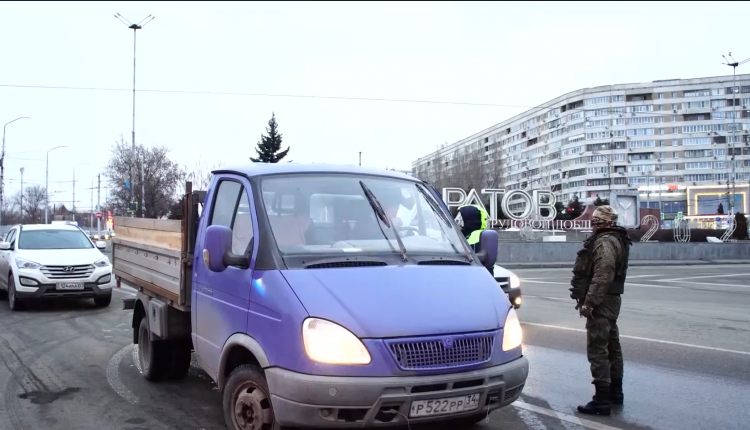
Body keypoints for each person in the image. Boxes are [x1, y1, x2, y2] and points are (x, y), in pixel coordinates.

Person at [569, 205, 632, 416]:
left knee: (598, 349)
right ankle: (616, 393)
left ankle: (601, 400)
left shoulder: (605, 242)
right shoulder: (616, 238)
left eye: (596, 219)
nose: (593, 222)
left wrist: (590, 303)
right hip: (610, 301)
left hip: (602, 302)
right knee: (613, 346)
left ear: (604, 222)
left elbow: (603, 274)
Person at [457, 204, 492, 274]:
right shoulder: (464, 234)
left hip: (477, 275)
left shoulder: (478, 235)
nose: (458, 221)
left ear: (470, 220)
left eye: (462, 218)